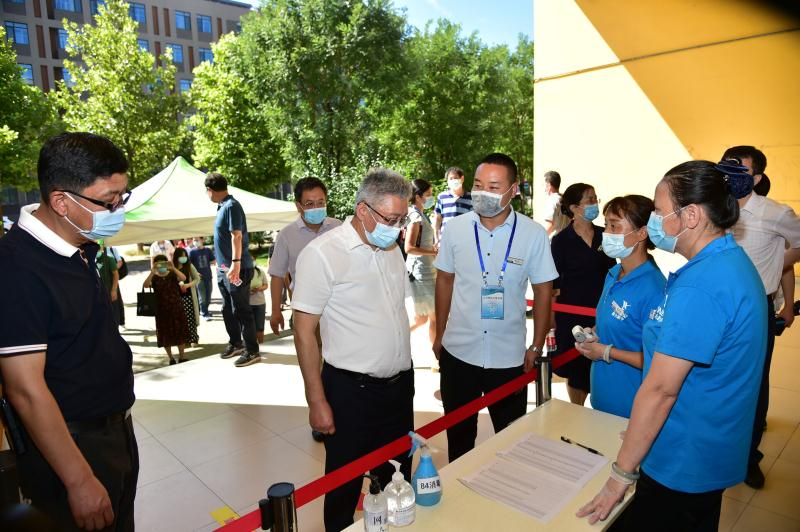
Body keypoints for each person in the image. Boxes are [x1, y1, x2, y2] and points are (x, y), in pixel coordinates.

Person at [577, 160, 767, 531]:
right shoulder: (726, 263)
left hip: (684, 457)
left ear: (691, 216)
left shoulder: (702, 285)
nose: (654, 222)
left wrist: (621, 474)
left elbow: (662, 390)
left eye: (659, 211)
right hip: (702, 443)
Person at [0, 132, 138, 530]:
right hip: (72, 449)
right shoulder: (16, 268)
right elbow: (25, 389)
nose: (118, 209)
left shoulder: (81, 244)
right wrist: (78, 479)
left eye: (122, 197)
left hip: (115, 432)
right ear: (62, 202)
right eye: (109, 201)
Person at [291, 168, 414, 531]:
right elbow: (304, 331)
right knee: (343, 484)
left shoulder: (391, 249)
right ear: (363, 210)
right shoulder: (323, 254)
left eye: (402, 219)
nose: (397, 227)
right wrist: (316, 400)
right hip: (350, 391)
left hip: (398, 387)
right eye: (390, 219)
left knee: (396, 476)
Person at [434, 153, 557, 463]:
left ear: (513, 190)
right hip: (459, 352)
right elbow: (444, 280)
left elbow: (543, 291)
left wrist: (537, 345)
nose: (482, 193)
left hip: (509, 357)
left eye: (493, 186)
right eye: (478, 185)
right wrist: (440, 334)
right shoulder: (455, 229)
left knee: (511, 439)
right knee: (459, 439)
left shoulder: (532, 234)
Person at [718, 147, 800, 488]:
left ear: (756, 178)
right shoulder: (714, 207)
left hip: (755, 307)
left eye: (741, 171)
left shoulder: (775, 213)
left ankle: (749, 457)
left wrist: (777, 264)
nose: (731, 176)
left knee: (753, 383)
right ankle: (719, 446)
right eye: (727, 168)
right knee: (717, 375)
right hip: (717, 305)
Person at [574, 195, 666, 418]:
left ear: (642, 233)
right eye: (606, 225)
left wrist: (607, 352)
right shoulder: (613, 274)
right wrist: (593, 334)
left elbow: (659, 361)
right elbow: (615, 324)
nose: (606, 233)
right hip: (602, 399)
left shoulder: (654, 288)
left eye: (614, 226)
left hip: (631, 408)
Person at [550, 183, 615, 406]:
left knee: (598, 363)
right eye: (589, 200)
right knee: (576, 368)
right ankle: (576, 409)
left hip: (601, 311)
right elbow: (554, 285)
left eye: (595, 198)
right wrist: (551, 319)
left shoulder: (605, 235)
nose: (595, 204)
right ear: (574, 208)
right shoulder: (560, 241)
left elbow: (614, 272)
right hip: (571, 315)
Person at [268, 177, 342, 336]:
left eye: (321, 202)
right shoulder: (286, 235)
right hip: (306, 309)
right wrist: (275, 311)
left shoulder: (339, 228)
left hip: (340, 306)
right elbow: (277, 275)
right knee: (310, 349)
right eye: (309, 204)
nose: (316, 207)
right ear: (298, 206)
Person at [205, 172, 260, 368]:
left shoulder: (231, 206)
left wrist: (235, 263)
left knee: (241, 310)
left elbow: (236, 236)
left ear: (209, 190)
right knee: (227, 309)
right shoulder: (222, 207)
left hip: (238, 269)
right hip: (224, 270)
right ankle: (236, 343)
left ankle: (252, 350)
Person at [405, 178, 439, 344]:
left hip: (426, 269)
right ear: (418, 197)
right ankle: (438, 355)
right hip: (421, 272)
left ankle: (393, 339)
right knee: (433, 317)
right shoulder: (415, 217)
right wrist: (432, 251)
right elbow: (409, 247)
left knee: (423, 318)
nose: (431, 197)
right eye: (428, 194)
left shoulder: (420, 214)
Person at [144, 254, 189, 365]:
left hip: (176, 307)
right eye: (158, 263)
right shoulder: (154, 277)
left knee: (179, 332)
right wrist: (152, 272)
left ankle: (182, 356)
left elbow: (183, 278)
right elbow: (145, 285)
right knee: (165, 334)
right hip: (161, 310)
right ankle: (171, 358)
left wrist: (173, 267)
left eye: (163, 263)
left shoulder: (172, 274)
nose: (161, 266)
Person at [434, 166, 473, 242]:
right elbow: (438, 219)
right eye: (450, 179)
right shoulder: (442, 197)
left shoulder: (471, 197)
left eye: (455, 178)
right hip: (445, 240)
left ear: (462, 179)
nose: (453, 180)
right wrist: (436, 238)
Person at [173, 247, 201, 347]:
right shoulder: (173, 268)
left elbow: (197, 279)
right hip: (177, 298)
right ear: (176, 257)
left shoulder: (189, 266)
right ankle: (184, 340)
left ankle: (193, 339)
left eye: (185, 256)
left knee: (190, 318)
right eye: (181, 256)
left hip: (189, 296)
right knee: (180, 320)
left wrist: (187, 285)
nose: (183, 258)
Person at [189, 236, 215, 320]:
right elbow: (189, 265)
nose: (195, 241)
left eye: (197, 240)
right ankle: (204, 313)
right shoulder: (192, 252)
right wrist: (195, 273)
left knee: (208, 296)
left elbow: (213, 261)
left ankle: (205, 310)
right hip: (198, 279)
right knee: (202, 297)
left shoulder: (207, 250)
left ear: (202, 240)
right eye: (194, 240)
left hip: (208, 276)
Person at [95, 241, 120, 323]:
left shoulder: (108, 258)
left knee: (113, 316)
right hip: (98, 294)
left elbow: (116, 275)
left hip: (108, 291)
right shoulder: (91, 260)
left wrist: (114, 290)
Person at [250, 266, 269, 344]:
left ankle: (261, 345)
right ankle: (251, 346)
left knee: (260, 327)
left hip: (260, 303)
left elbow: (266, 285)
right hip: (247, 303)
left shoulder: (260, 272)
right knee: (249, 327)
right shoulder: (242, 272)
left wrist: (258, 289)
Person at [543, 170, 562, 236]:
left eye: (544, 184)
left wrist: (541, 238)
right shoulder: (565, 200)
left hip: (555, 240)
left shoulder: (552, 201)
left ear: (549, 185)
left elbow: (550, 225)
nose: (543, 188)